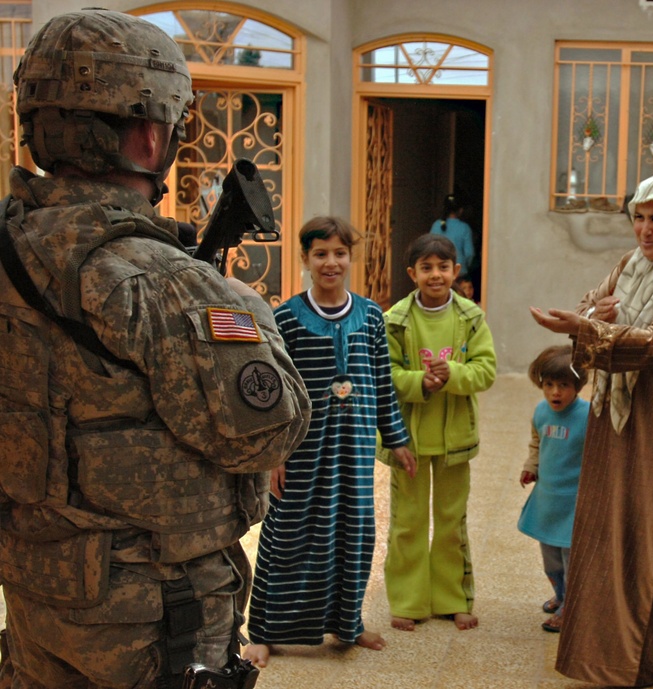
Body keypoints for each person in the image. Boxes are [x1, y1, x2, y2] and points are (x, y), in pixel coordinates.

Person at [0, 9, 311, 688]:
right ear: (149, 133)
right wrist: (246, 308)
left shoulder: (13, 248)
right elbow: (266, 432)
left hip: (34, 587)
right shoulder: (170, 282)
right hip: (156, 612)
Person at [530, 172, 653, 686]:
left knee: (647, 531)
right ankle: (597, 652)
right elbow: (592, 304)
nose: (646, 231)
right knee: (604, 524)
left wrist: (587, 325)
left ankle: (645, 661)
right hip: (613, 411)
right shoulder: (631, 264)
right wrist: (592, 316)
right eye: (639, 217)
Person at [244, 217, 416, 667]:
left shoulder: (371, 315)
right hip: (302, 449)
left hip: (355, 449)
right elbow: (274, 390)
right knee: (288, 533)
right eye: (321, 253)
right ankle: (262, 630)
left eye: (340, 253)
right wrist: (274, 454)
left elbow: (381, 380)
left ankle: (347, 624)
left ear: (350, 258)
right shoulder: (286, 318)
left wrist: (396, 439)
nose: (331, 262)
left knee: (353, 533)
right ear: (305, 259)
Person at [380, 233, 497, 632]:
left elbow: (486, 371)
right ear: (412, 273)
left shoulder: (470, 317)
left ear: (456, 271)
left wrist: (455, 375)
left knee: (451, 521)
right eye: (426, 268)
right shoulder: (394, 319)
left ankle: (453, 598)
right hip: (407, 440)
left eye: (443, 267)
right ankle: (408, 601)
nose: (435, 275)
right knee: (408, 522)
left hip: (455, 440)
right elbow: (386, 374)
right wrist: (420, 383)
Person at [516, 345, 589, 634]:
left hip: (573, 502)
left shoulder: (588, 416)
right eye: (549, 385)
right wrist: (530, 465)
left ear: (577, 385)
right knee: (550, 557)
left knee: (572, 558)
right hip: (547, 499)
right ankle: (560, 594)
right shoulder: (541, 412)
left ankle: (570, 606)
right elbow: (537, 443)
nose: (555, 393)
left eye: (563, 385)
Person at [430, 193, 476, 279]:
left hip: (438, 270)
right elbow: (469, 253)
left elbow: (428, 248)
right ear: (461, 210)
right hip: (458, 271)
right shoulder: (464, 228)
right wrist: (465, 265)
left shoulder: (436, 225)